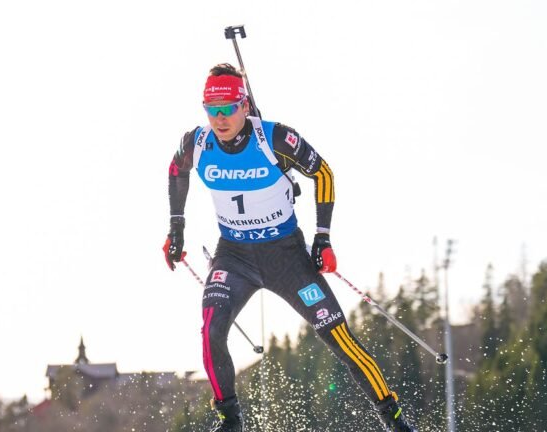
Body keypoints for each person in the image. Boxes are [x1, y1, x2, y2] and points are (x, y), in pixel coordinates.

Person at [163, 63, 418, 432]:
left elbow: (323, 172)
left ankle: (393, 418)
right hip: (233, 257)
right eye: (211, 110)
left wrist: (323, 237)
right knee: (211, 329)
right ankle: (230, 420)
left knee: (338, 338)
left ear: (244, 106)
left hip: (286, 257)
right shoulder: (196, 143)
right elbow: (175, 171)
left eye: (228, 109)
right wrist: (176, 228)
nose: (219, 119)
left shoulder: (275, 139)